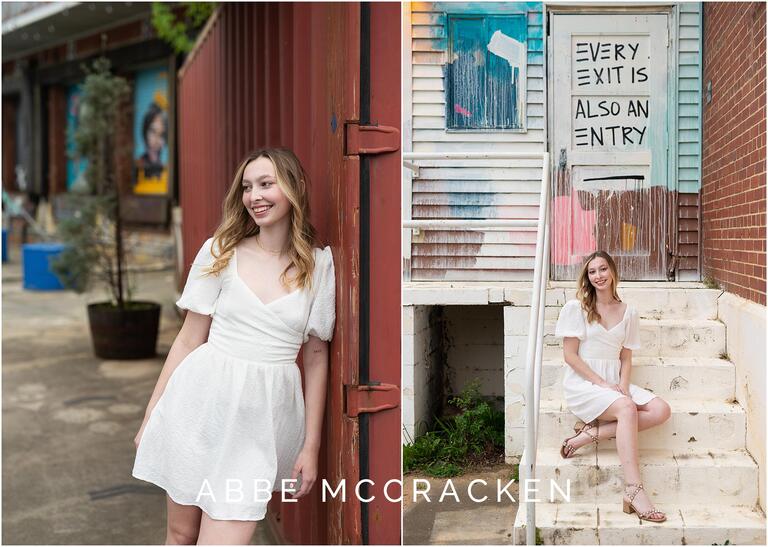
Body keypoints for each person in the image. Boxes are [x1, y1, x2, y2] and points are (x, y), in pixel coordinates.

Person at [132, 148, 336, 544]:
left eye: (266, 184)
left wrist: (310, 447)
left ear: (294, 188)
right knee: (180, 534)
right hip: (200, 407)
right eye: (247, 187)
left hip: (261, 424)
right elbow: (189, 339)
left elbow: (315, 357)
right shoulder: (220, 252)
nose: (254, 196)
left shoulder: (318, 266)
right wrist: (151, 415)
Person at [555, 250, 671, 523]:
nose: (598, 276)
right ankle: (634, 490)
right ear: (587, 277)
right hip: (585, 383)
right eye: (592, 271)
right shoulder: (577, 309)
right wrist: (603, 383)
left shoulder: (629, 312)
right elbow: (570, 356)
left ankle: (588, 435)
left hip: (614, 380)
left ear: (613, 271)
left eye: (603, 269)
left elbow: (626, 357)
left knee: (661, 410)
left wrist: (623, 385)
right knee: (627, 409)